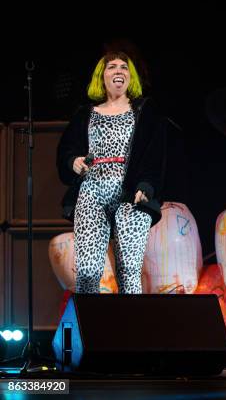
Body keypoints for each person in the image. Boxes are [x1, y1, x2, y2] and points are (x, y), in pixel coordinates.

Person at [57, 51, 167, 294]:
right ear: (102, 77)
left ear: (131, 77)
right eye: (112, 67)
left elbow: (155, 154)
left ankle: (132, 329)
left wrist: (146, 185)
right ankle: (91, 328)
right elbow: (67, 150)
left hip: (131, 194)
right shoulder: (85, 114)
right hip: (92, 190)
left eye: (124, 67)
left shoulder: (145, 112)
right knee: (86, 272)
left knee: (128, 271)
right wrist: (72, 161)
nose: (119, 71)